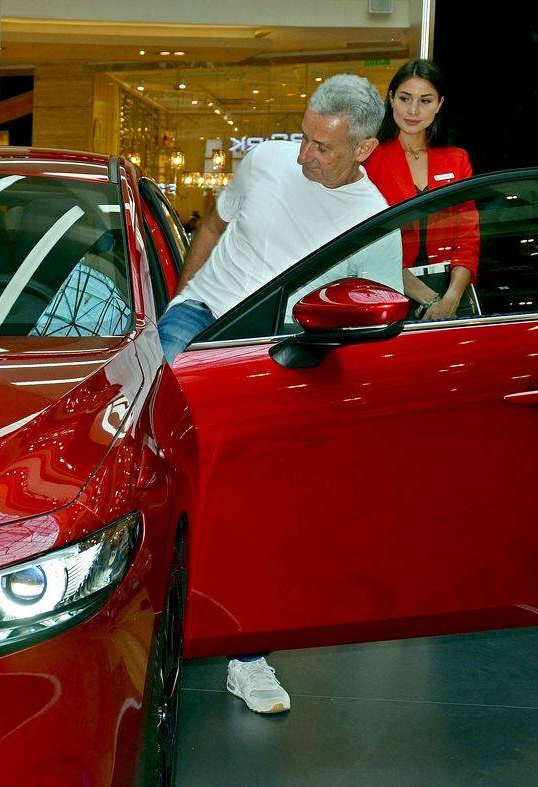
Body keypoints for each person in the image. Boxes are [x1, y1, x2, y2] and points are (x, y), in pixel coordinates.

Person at [156, 74, 393, 715]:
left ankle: (248, 654)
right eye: (304, 137)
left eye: (322, 147)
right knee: (154, 462)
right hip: (201, 320)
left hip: (277, 354)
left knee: (258, 508)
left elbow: (372, 322)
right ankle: (144, 626)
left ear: (363, 149)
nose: (303, 155)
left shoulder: (373, 221)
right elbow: (214, 224)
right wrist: (180, 297)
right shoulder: (265, 160)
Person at [361, 59, 478, 320]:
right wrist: (429, 299)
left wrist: (451, 298)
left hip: (451, 294)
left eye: (425, 101)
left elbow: (468, 236)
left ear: (439, 104)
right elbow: (368, 242)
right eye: (405, 98)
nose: (413, 110)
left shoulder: (456, 159)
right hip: (389, 291)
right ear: (391, 98)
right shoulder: (369, 158)